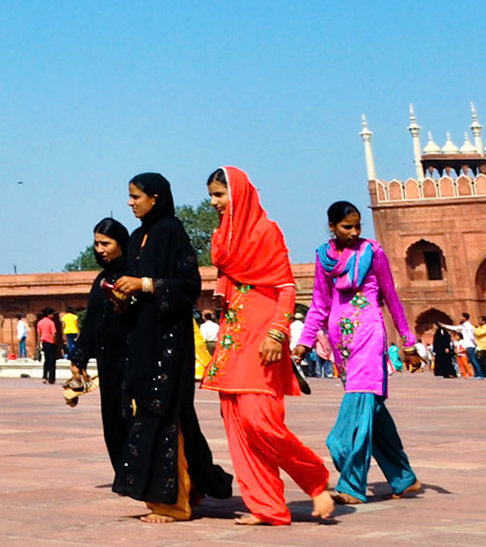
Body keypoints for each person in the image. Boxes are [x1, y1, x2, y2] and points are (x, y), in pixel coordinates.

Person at [203, 167, 332, 526]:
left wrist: (277, 332)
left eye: (220, 194)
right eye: (211, 195)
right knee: (238, 425)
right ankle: (267, 506)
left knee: (259, 420)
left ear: (239, 194)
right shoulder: (222, 238)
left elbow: (286, 287)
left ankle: (314, 479)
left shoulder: (265, 231)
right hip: (233, 335)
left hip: (263, 337)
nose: (213, 202)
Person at [109, 173, 233, 523]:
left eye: (136, 197)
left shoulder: (172, 232)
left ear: (156, 197)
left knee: (164, 412)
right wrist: (123, 297)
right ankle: (197, 484)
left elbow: (189, 286)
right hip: (143, 337)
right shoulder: (137, 238)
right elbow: (137, 290)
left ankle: (173, 502)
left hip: (169, 339)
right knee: (157, 410)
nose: (130, 203)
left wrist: (145, 284)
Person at [293, 200, 421, 504]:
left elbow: (390, 296)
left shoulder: (372, 252)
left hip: (369, 334)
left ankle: (351, 484)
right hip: (342, 343)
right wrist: (304, 342)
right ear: (332, 227)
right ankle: (403, 478)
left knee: (357, 407)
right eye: (346, 227)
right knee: (371, 411)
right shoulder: (323, 257)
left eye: (357, 226)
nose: (353, 232)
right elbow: (320, 304)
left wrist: (408, 340)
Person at [66, 217, 132, 474]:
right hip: (108, 360)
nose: (100, 250)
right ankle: (124, 475)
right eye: (96, 244)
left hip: (133, 358)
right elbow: (92, 322)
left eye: (106, 243)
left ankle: (139, 475)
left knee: (131, 416)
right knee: (113, 418)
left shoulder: (134, 275)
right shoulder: (101, 280)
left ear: (121, 243)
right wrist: (78, 358)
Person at [36, 309, 59, 385]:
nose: (53, 315)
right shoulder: (51, 323)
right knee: (52, 361)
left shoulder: (40, 322)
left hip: (44, 343)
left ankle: (44, 377)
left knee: (46, 360)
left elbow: (39, 335)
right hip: (51, 342)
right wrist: (55, 342)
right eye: (52, 314)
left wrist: (38, 344)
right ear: (48, 315)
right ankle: (51, 378)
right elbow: (53, 334)